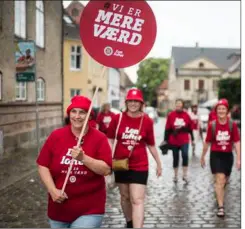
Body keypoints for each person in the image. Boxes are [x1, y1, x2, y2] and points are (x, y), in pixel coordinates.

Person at [36, 95, 112, 228]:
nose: (77, 116)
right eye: (74, 111)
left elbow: (106, 169)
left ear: (89, 116)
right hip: (59, 209)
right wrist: (52, 190)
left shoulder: (100, 139)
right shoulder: (56, 136)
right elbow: (42, 165)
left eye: (82, 112)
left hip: (90, 209)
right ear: (69, 114)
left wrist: (84, 158)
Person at [107, 88, 162, 228]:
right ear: (126, 102)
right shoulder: (117, 119)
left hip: (140, 165)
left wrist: (159, 163)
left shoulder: (147, 121)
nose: (133, 103)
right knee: (125, 197)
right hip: (120, 164)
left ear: (141, 103)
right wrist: (107, 161)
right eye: (130, 100)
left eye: (136, 101)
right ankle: (130, 222)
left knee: (137, 199)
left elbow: (151, 144)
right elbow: (110, 140)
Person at [200, 98, 240, 217]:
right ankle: (221, 207)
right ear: (216, 111)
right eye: (219, 109)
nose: (221, 111)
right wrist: (202, 156)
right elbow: (207, 142)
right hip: (216, 155)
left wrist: (239, 158)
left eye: (223, 109)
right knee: (219, 179)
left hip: (228, 155)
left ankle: (219, 193)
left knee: (224, 181)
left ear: (227, 111)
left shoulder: (232, 125)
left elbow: (237, 142)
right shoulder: (212, 125)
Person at [164, 99, 194, 183]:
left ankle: (184, 175)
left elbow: (191, 128)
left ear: (182, 105)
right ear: (175, 105)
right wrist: (165, 140)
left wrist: (193, 139)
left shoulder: (186, 115)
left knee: (185, 155)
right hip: (174, 140)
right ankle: (175, 175)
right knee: (175, 157)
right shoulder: (171, 115)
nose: (178, 106)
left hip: (184, 139)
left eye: (180, 104)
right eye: (177, 104)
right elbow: (167, 129)